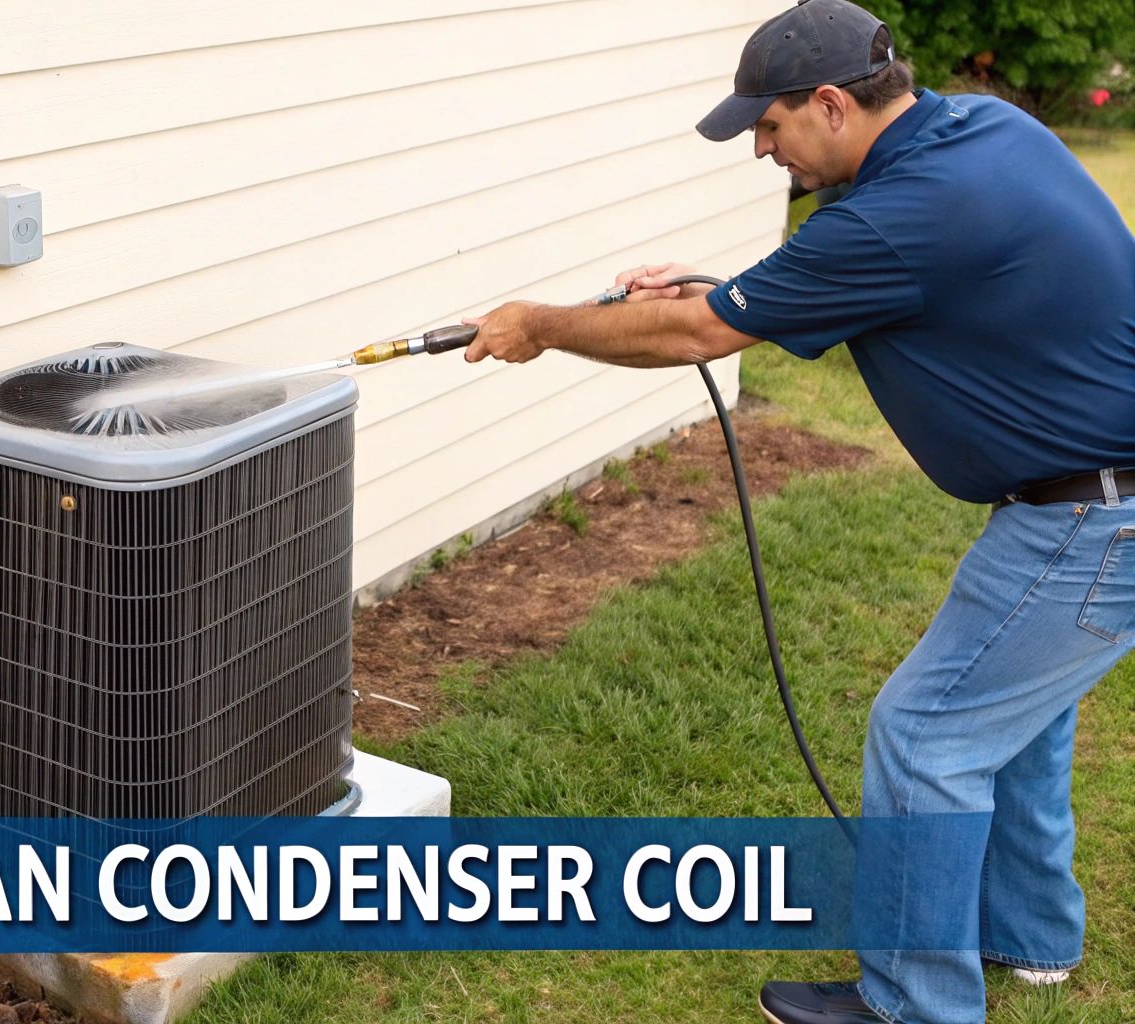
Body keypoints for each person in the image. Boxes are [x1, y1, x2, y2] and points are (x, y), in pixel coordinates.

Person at [461, 1, 1135, 1022]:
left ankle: (913, 1003)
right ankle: (1027, 936)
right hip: (1099, 503)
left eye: (767, 127)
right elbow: (837, 282)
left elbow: (696, 335)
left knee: (926, 737)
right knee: (1018, 718)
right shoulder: (984, 132)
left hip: (1090, 522)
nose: (760, 150)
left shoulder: (902, 213)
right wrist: (721, 288)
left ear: (829, 104)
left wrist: (539, 325)